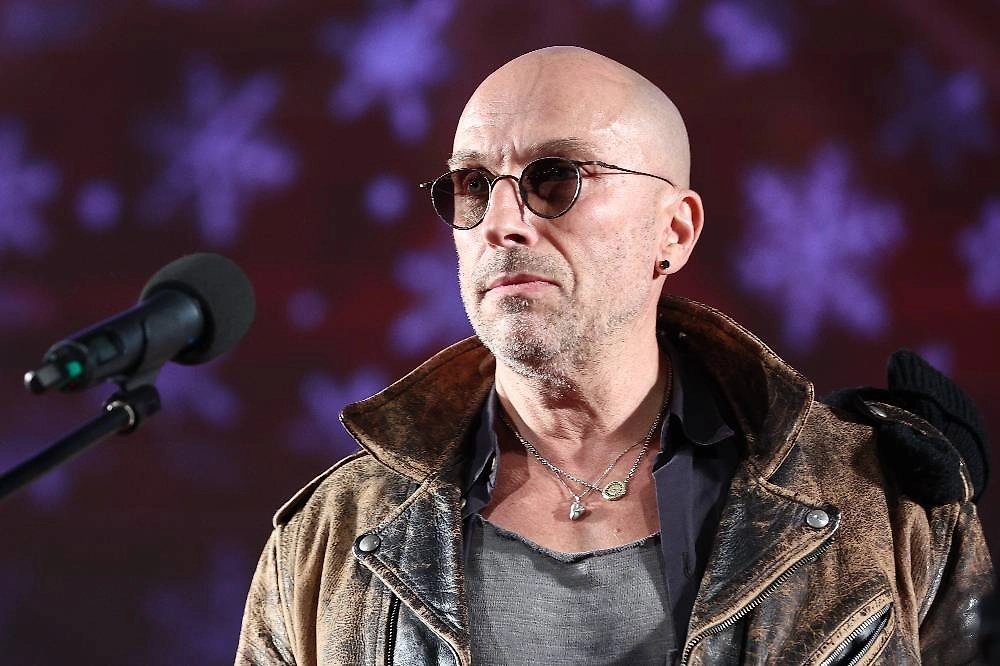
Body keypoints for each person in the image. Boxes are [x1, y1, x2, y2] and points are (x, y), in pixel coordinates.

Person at [236, 46, 992, 665]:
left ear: (675, 231)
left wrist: (906, 499)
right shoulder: (331, 537)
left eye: (555, 179)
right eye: (472, 185)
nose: (501, 222)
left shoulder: (874, 502)